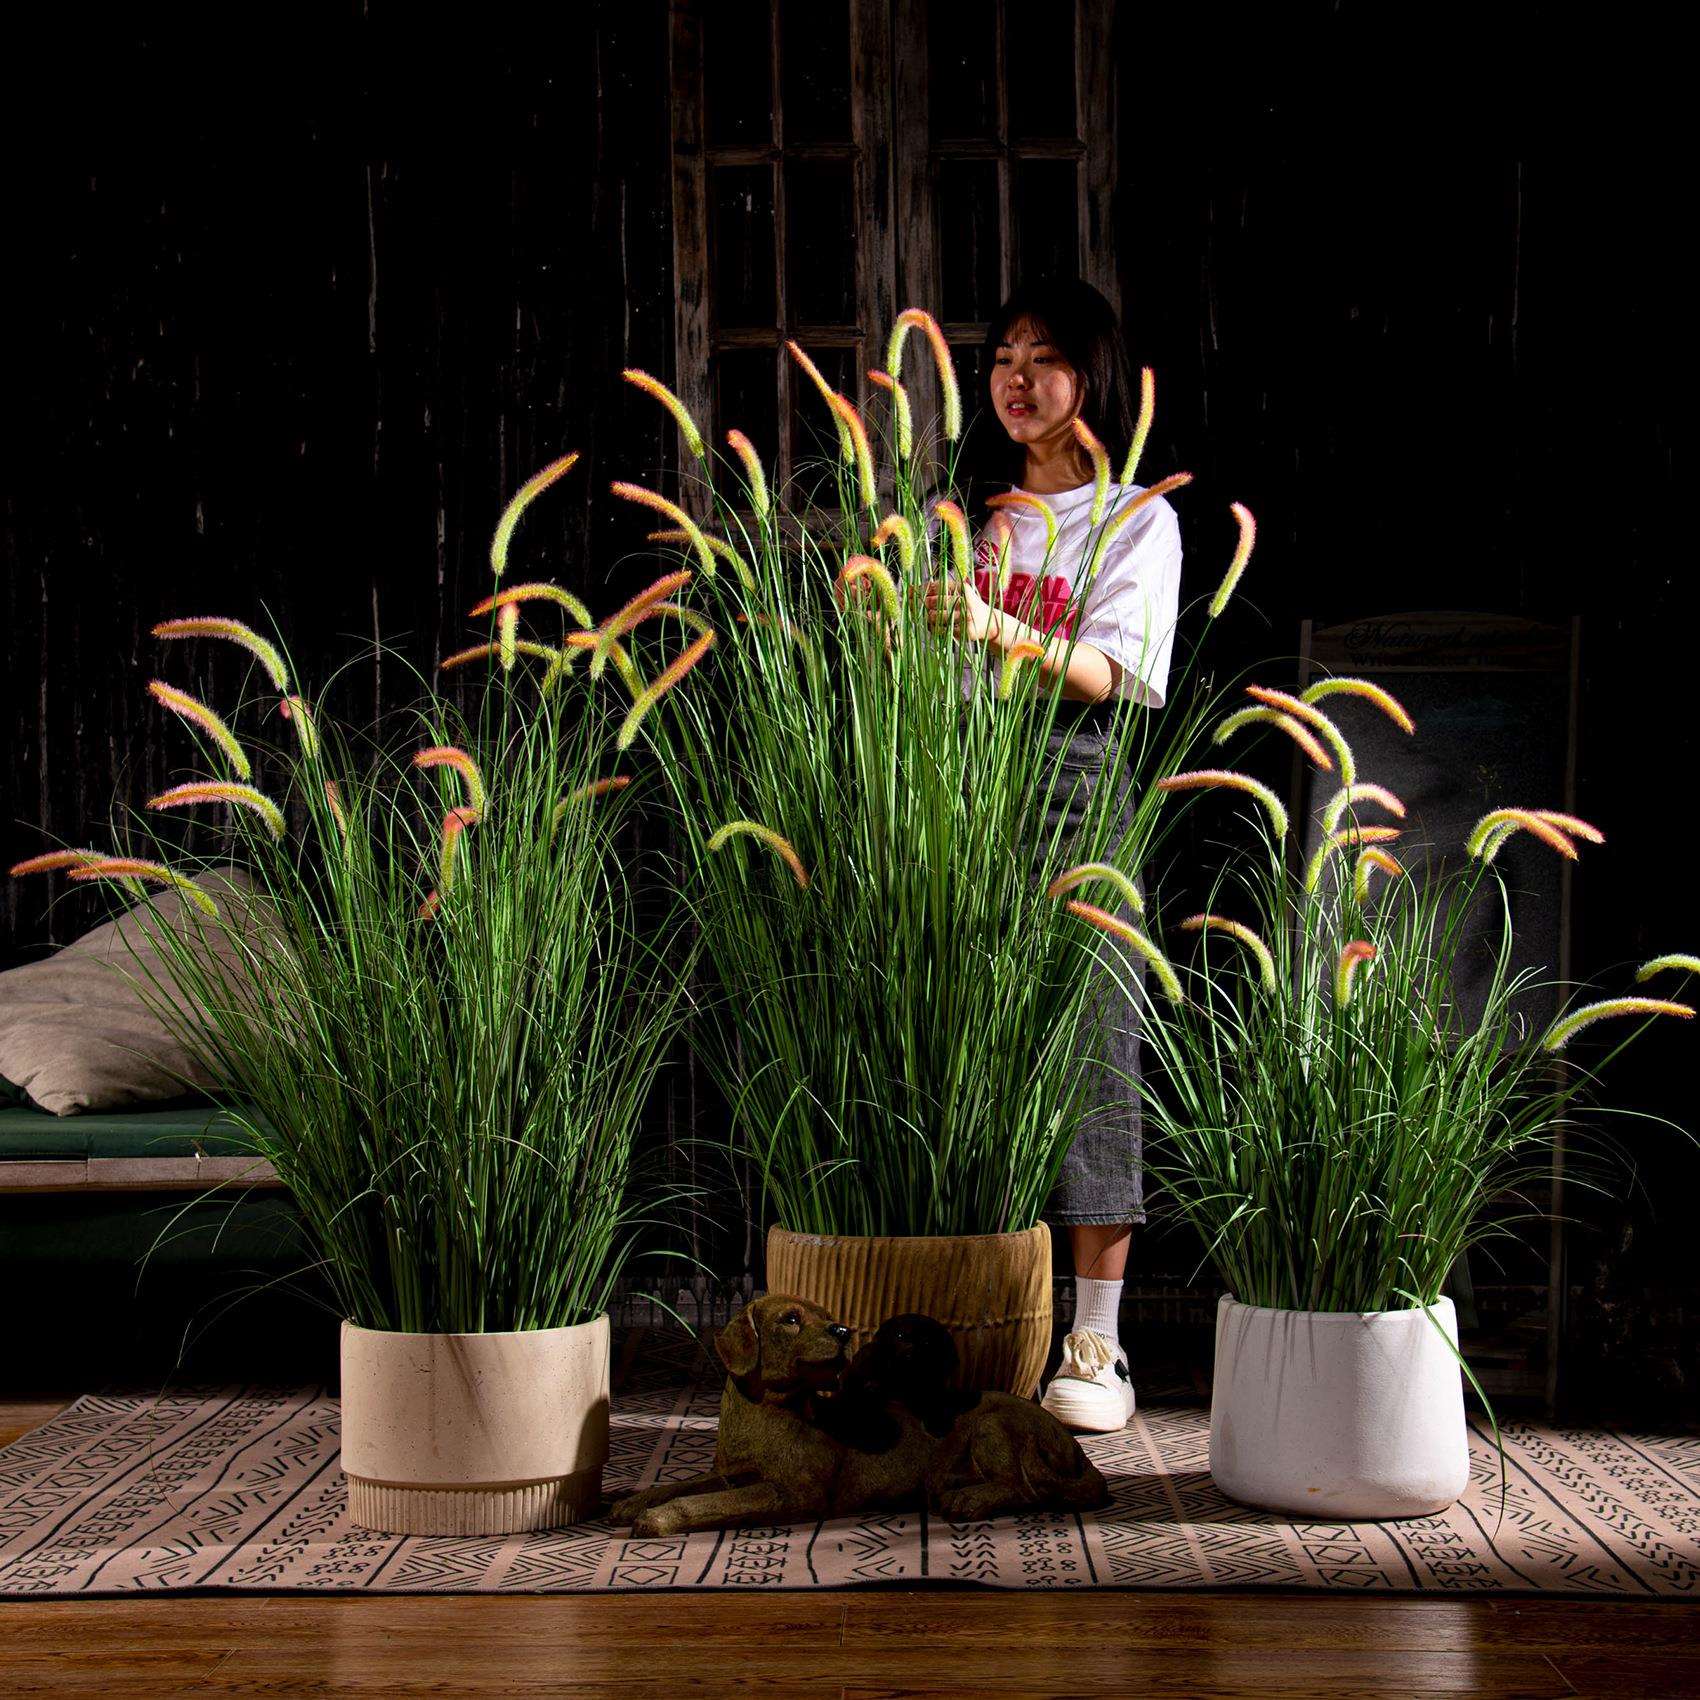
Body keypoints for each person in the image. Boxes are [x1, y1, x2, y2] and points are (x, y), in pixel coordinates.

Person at [924, 279, 1183, 1433]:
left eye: (1043, 356)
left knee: (1088, 1047)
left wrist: (989, 626)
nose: (1015, 377)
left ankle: (1095, 1340)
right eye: (999, 356)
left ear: (1095, 375)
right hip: (962, 789)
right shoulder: (971, 516)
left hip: (1075, 786)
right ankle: (978, 1317)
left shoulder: (1139, 518)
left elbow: (1108, 677)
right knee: (970, 1049)